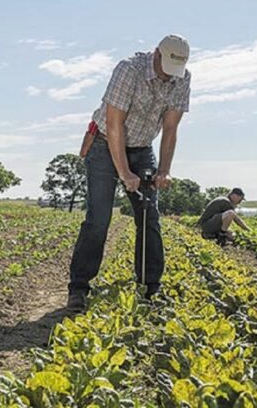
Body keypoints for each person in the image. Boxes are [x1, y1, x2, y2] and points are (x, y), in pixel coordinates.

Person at [67, 34, 192, 312]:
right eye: (166, 68)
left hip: (142, 145)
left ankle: (150, 286)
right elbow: (114, 126)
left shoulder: (182, 78)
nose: (169, 76)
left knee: (149, 216)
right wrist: (124, 173)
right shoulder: (129, 70)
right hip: (104, 143)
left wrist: (164, 171)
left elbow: (171, 128)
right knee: (99, 219)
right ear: (157, 54)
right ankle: (79, 287)